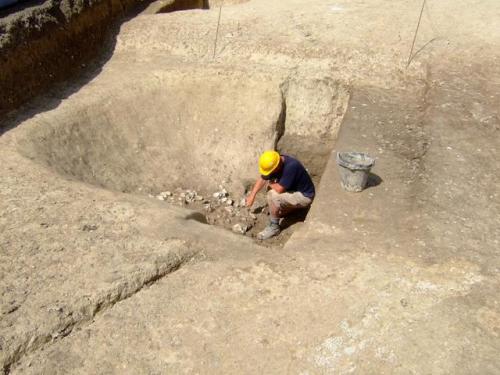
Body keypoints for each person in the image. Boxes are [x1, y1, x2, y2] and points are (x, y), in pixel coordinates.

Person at [246, 150, 315, 240]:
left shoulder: (291, 166)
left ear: (277, 166)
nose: (269, 173)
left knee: (272, 194)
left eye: (271, 171)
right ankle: (287, 210)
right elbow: (263, 178)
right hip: (294, 191)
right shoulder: (277, 161)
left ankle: (274, 227)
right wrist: (252, 195)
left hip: (305, 196)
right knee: (273, 191)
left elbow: (279, 189)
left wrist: (270, 184)